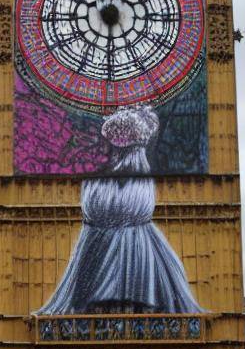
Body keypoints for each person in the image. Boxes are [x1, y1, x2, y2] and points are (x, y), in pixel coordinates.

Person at [37, 105, 203, 314]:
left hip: (109, 241)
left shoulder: (122, 181)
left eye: (110, 144)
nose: (105, 148)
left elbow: (105, 208)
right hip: (106, 241)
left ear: (120, 146)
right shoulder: (120, 178)